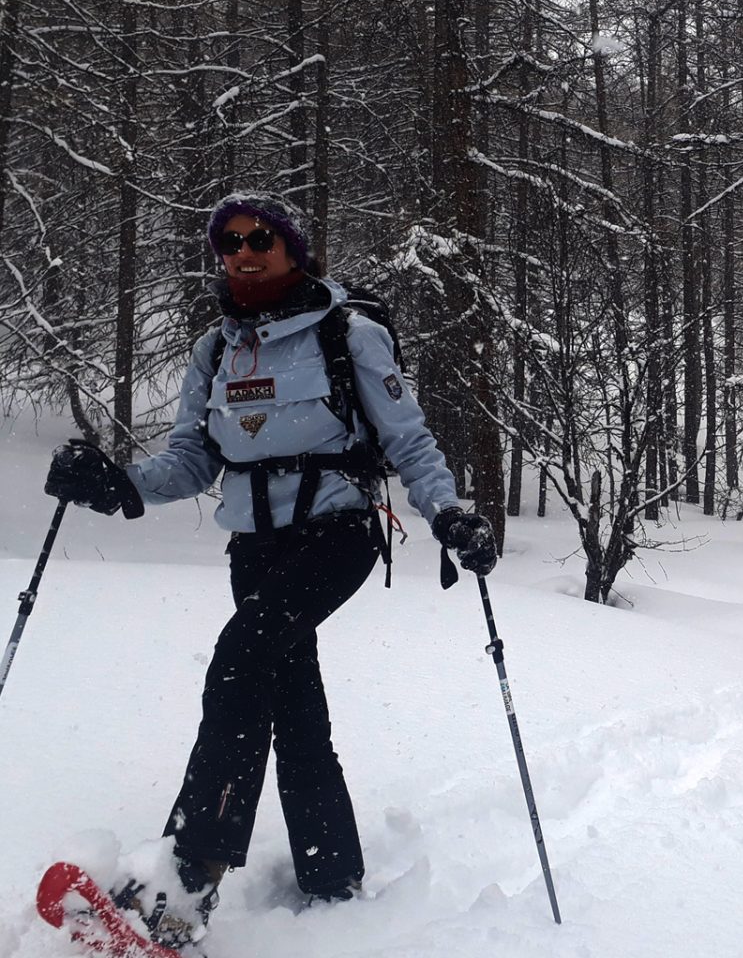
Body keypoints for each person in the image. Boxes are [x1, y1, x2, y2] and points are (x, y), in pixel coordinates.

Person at [42, 191, 498, 949]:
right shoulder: (215, 351)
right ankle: (331, 871)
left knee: (240, 658)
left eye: (259, 237)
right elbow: (193, 458)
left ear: (293, 247)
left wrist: (447, 513)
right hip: (253, 545)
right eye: (228, 241)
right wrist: (120, 484)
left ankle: (184, 882)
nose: (243, 251)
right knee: (290, 700)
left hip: (336, 531)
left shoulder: (349, 333)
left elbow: (409, 439)